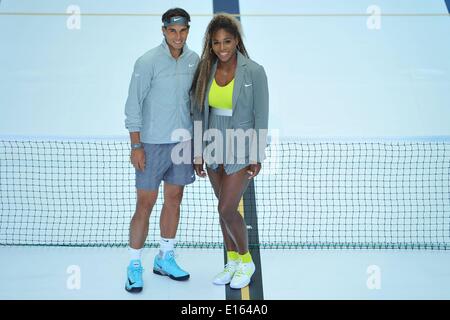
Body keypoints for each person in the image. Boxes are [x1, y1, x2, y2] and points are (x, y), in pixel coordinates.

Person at [123, 8, 199, 293]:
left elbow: (196, 103)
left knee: (174, 201)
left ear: (188, 31)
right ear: (164, 30)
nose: (178, 37)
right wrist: (136, 145)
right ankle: (133, 265)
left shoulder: (195, 61)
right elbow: (133, 105)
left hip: (182, 143)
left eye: (183, 31)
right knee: (145, 205)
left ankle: (165, 258)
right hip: (151, 145)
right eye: (172, 31)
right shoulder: (147, 62)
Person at [191, 13, 269, 289]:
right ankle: (233, 261)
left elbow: (262, 115)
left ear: (236, 40)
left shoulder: (255, 71)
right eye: (216, 43)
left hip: (242, 145)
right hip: (213, 143)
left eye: (227, 41)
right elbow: (199, 113)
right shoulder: (205, 69)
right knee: (222, 209)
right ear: (210, 45)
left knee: (226, 208)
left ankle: (246, 261)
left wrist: (257, 154)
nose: (222, 48)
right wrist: (198, 152)